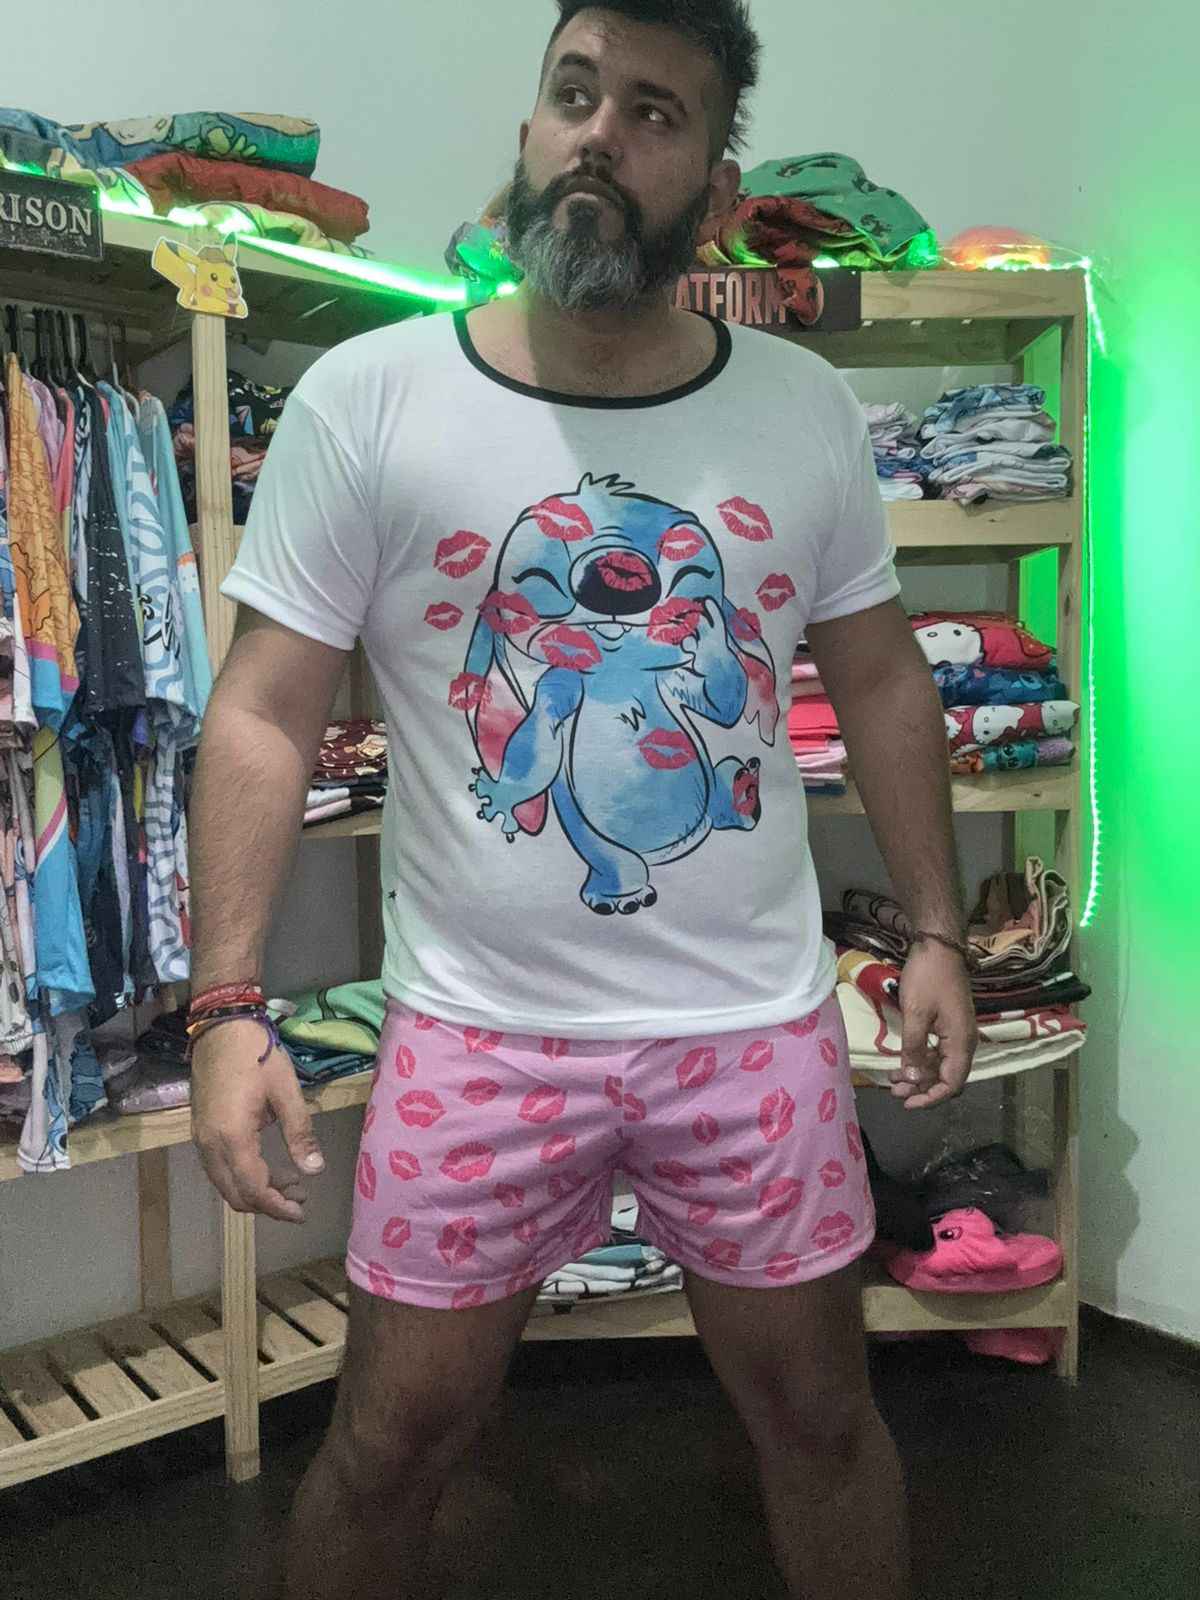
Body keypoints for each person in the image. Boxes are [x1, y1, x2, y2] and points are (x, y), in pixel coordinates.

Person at [189, 3, 979, 1596]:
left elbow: (886, 680)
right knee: (394, 1438)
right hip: (477, 1034)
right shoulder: (368, 397)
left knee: (821, 1420)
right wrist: (224, 1005)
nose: (601, 134)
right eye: (575, 93)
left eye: (655, 113)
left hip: (747, 1027)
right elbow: (265, 710)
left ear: (718, 187)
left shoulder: (804, 411)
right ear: (530, 130)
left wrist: (939, 934)